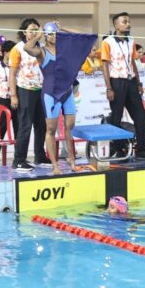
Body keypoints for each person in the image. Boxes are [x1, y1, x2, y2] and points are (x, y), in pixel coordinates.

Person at [22, 22, 84, 174]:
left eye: (56, 33)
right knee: (51, 129)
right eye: (50, 34)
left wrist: (63, 28)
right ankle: (55, 165)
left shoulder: (65, 50)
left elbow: (81, 36)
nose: (54, 36)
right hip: (51, 94)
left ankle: (72, 160)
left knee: (70, 127)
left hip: (67, 93)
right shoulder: (42, 51)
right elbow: (27, 48)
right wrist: (37, 35)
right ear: (45, 35)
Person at [101, 12, 145, 160]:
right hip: (116, 82)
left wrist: (138, 82)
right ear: (116, 25)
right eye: (124, 22)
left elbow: (133, 63)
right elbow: (104, 65)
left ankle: (141, 149)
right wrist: (109, 87)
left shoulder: (131, 41)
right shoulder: (108, 42)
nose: (128, 24)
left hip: (131, 82)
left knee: (140, 115)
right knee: (116, 116)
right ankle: (119, 149)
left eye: (129, 21)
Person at [9, 18, 48, 172]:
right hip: (25, 90)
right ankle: (19, 160)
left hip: (41, 90)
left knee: (41, 125)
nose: (34, 33)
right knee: (25, 126)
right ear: (24, 32)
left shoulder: (41, 47)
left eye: (37, 30)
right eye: (31, 30)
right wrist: (13, 95)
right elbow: (12, 74)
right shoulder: (17, 49)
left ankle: (40, 156)